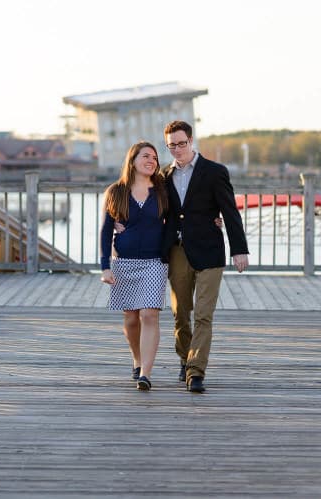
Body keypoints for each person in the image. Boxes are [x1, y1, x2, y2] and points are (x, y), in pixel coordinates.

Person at [161, 120, 249, 394]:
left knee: (203, 314)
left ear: (191, 140)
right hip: (177, 251)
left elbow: (230, 211)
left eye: (181, 143)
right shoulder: (163, 176)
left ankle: (196, 371)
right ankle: (185, 358)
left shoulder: (214, 172)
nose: (177, 149)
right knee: (180, 314)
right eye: (171, 145)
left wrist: (239, 249)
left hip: (210, 251)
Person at [100, 141, 169, 391]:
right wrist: (104, 266)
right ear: (133, 160)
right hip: (124, 262)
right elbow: (107, 230)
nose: (151, 160)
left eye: (154, 157)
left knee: (149, 314)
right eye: (145, 156)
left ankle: (146, 374)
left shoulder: (162, 190)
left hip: (154, 262)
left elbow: (183, 213)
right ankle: (137, 360)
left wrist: (213, 220)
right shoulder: (116, 192)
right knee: (131, 318)